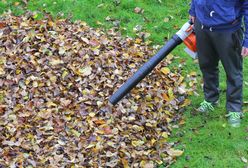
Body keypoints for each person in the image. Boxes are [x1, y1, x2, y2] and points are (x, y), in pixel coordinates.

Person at [189, 0, 248, 127]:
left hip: (228, 31)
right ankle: (211, 99)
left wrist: (247, 39)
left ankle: (234, 109)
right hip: (202, 27)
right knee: (206, 65)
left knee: (233, 71)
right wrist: (193, 10)